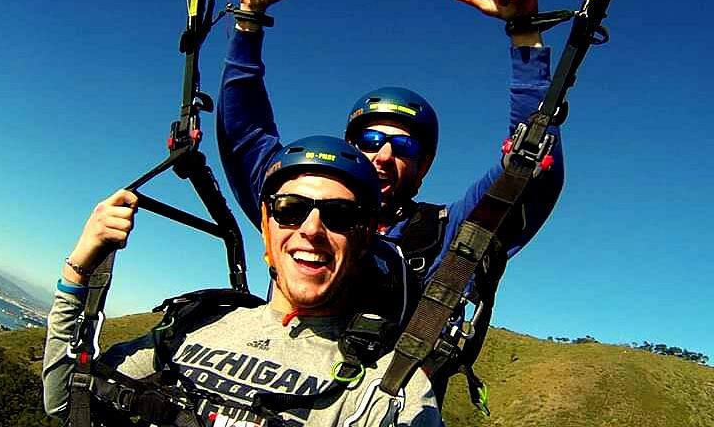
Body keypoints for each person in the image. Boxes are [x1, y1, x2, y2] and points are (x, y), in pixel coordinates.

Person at [217, 0, 564, 292]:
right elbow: (245, 133)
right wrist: (250, 20)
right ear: (348, 149)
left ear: (424, 164)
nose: (382, 155)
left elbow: (529, 169)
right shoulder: (293, 209)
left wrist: (524, 34)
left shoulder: (442, 238)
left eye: (403, 146)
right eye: (368, 142)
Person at [42, 136, 443, 426]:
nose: (312, 229)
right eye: (291, 209)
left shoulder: (383, 383)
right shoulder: (198, 322)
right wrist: (80, 268)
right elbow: (65, 402)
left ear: (365, 237)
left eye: (339, 215)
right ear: (267, 227)